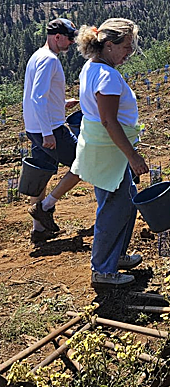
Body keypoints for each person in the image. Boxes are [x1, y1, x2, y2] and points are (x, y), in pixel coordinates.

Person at [72, 19, 148, 288]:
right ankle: (103, 269)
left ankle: (115, 256)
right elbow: (109, 121)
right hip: (110, 151)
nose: (129, 52)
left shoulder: (93, 68)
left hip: (105, 148)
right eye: (126, 46)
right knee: (113, 208)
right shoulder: (108, 76)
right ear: (108, 45)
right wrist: (133, 157)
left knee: (126, 201)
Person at [22, 18, 82, 245]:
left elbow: (35, 96)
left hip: (34, 127)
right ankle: (45, 207)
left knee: (43, 173)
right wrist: (48, 133)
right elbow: (37, 98)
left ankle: (39, 231)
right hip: (50, 129)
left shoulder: (38, 56)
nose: (70, 43)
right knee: (83, 164)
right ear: (57, 37)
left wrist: (61, 102)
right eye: (68, 38)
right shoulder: (49, 60)